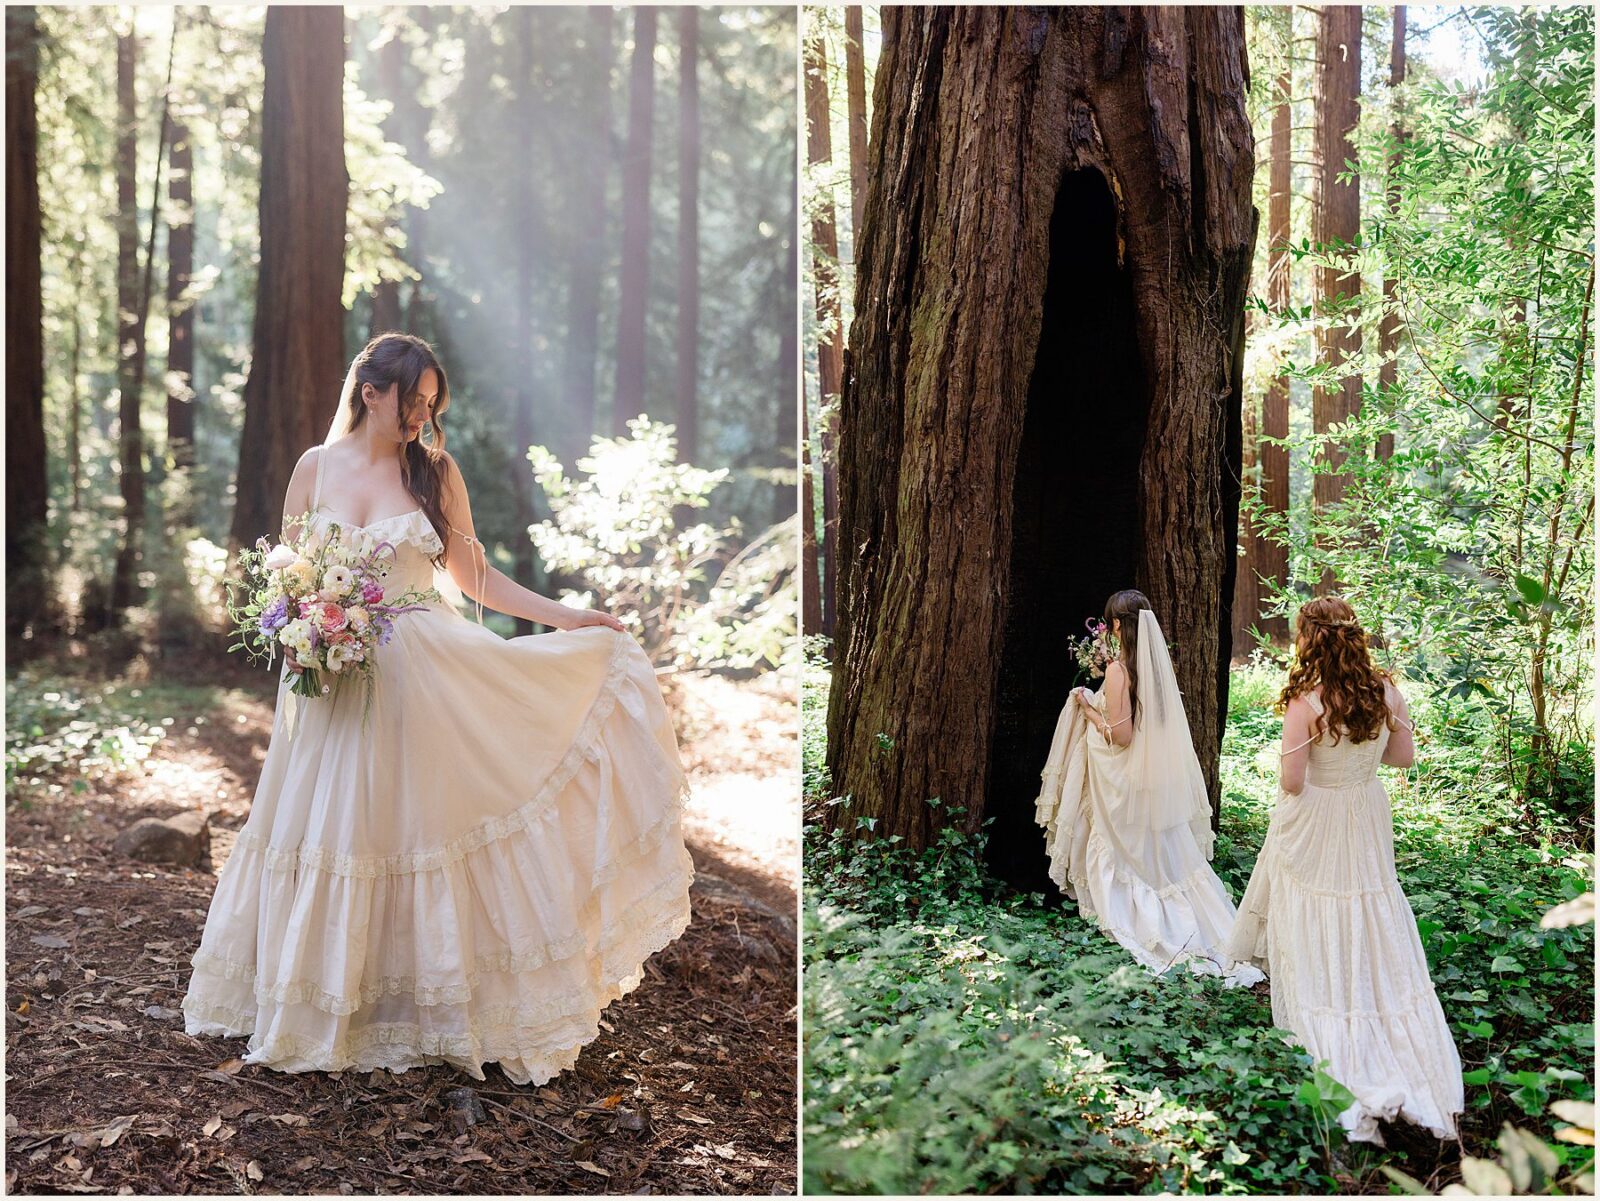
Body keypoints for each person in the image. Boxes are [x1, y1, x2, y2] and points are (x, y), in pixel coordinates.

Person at [181, 332, 695, 1085]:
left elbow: (477, 578)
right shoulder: (313, 469)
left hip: (426, 677)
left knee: (421, 827)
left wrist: (569, 619)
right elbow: (285, 572)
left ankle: (436, 1007)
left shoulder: (433, 471)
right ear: (370, 392)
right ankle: (328, 1006)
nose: (420, 416)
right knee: (339, 831)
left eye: (429, 404)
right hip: (331, 686)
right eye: (410, 400)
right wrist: (301, 633)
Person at [1224, 596, 1463, 1144]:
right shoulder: (1386, 692)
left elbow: (1291, 782)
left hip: (1319, 813)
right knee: (1369, 902)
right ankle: (1378, 997)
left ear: (1308, 637)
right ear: (1354, 635)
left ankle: (1328, 994)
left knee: (1316, 904)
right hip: (1364, 808)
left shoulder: (1306, 700)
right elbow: (1401, 759)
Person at [1035, 589, 1261, 985]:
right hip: (1144, 775)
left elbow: (1121, 737)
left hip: (1120, 773)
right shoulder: (1152, 668)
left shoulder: (1120, 670)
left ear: (1119, 626)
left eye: (1111, 623)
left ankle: (1155, 923)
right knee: (1160, 852)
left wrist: (1087, 708)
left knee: (1130, 849)